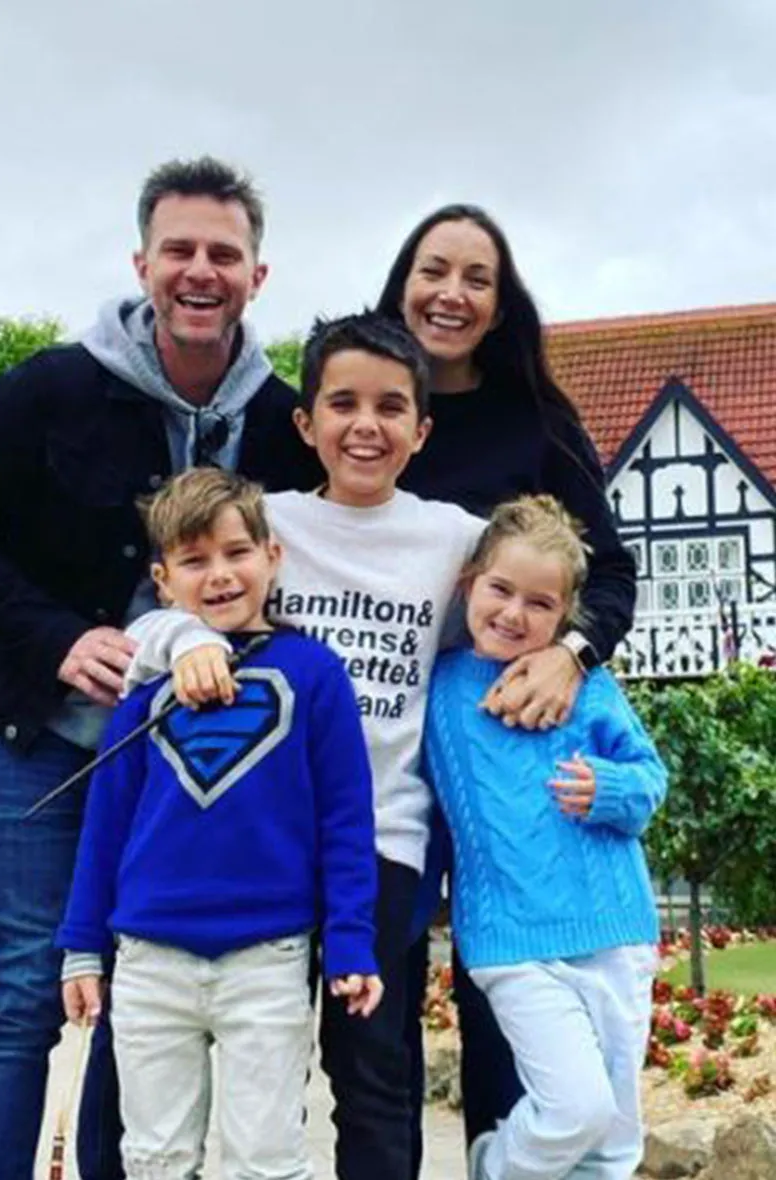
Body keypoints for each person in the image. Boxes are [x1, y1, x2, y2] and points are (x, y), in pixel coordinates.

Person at [0, 156, 319, 1178]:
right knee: (25, 995)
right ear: (144, 263)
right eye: (180, 250)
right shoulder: (52, 386)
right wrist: (54, 637)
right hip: (43, 737)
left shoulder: (283, 424)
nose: (201, 271)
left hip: (185, 763)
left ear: (258, 276)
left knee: (141, 996)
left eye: (225, 253)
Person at [128, 311, 485, 1180]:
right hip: (265, 843)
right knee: (259, 1065)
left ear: (421, 429)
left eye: (391, 407)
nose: (366, 425)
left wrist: (565, 650)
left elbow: (541, 587)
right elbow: (148, 624)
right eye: (343, 403)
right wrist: (184, 641)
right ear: (306, 422)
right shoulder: (261, 524)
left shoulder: (455, 537)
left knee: (371, 1068)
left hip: (382, 835)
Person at [378, 203, 640, 1163]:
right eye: (432, 269)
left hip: (507, 733)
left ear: (499, 304)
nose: (451, 293)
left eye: (475, 278)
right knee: (385, 989)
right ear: (402, 280)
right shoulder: (369, 398)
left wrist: (564, 653)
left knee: (513, 986)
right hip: (393, 738)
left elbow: (611, 573)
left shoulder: (535, 418)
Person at [56, 467, 380, 1179]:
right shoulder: (144, 696)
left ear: (273, 555)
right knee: (154, 1156)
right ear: (163, 579)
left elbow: (348, 819)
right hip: (148, 958)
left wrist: (352, 940)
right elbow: (104, 826)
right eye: (194, 560)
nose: (220, 575)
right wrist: (82, 947)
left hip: (267, 955)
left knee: (266, 1157)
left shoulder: (316, 672)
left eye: (236, 552)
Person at [423, 496, 663, 1180]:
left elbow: (649, 780)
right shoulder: (439, 690)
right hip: (511, 939)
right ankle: (494, 1166)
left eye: (540, 603)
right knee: (573, 1111)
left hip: (614, 928)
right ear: (469, 583)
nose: (513, 614)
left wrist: (610, 790)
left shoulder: (589, 688)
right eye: (500, 590)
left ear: (564, 616)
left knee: (613, 1144)